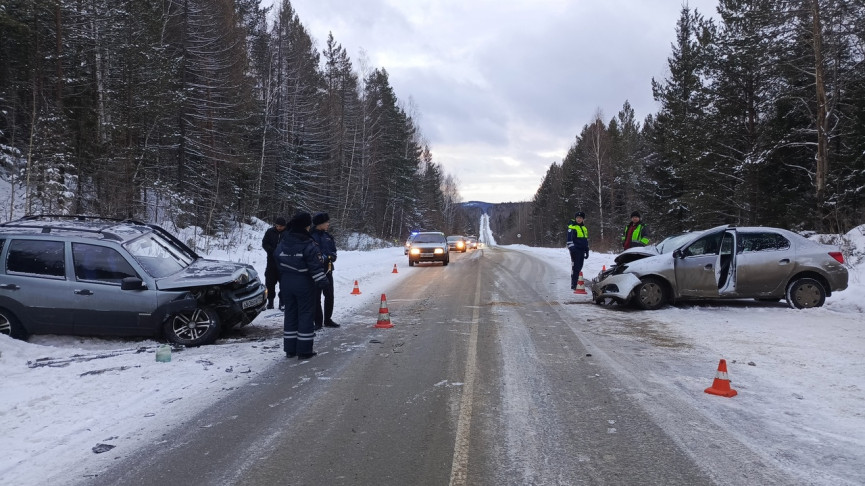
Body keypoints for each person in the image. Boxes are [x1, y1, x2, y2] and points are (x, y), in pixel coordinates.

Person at [275, 212, 329, 360]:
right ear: (306, 225)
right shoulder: (308, 243)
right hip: (304, 283)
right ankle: (304, 350)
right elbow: (316, 267)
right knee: (305, 314)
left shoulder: (284, 241)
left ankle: (290, 349)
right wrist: (324, 283)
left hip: (286, 282)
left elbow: (276, 259)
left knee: (290, 314)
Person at [310, 212, 340, 329]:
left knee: (329, 295)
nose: (328, 224)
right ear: (320, 223)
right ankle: (317, 321)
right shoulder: (310, 236)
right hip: (316, 271)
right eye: (326, 222)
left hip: (328, 270)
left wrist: (330, 257)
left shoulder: (328, 236)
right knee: (316, 297)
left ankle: (328, 319)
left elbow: (334, 252)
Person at [262, 216, 287, 310]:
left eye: (281, 226)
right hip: (271, 261)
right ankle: (270, 302)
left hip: (283, 262)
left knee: (284, 283)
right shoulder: (270, 232)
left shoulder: (288, 233)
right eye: (277, 226)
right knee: (269, 282)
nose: (279, 228)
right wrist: (271, 250)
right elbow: (264, 243)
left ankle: (282, 302)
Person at [566, 211, 590, 290]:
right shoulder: (572, 228)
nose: (579, 219)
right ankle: (574, 284)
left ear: (583, 219)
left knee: (580, 266)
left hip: (582, 250)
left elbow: (585, 240)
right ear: (575, 219)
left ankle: (576, 282)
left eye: (580, 218)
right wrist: (572, 249)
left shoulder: (584, 228)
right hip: (575, 250)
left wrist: (586, 249)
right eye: (577, 218)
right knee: (575, 267)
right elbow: (569, 240)